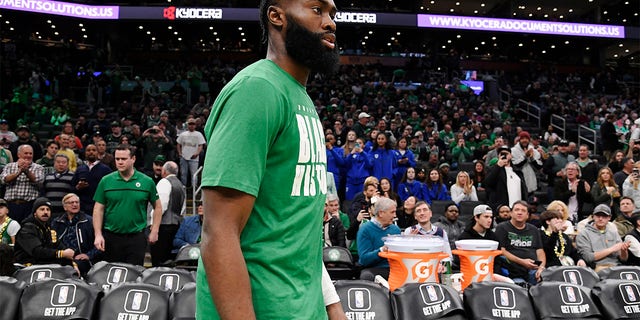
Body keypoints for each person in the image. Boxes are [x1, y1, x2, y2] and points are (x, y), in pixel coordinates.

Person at [198, 0, 340, 317]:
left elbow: (296, 233)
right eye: (317, 10)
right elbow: (218, 231)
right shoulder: (257, 90)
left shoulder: (298, 97)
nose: (330, 22)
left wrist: (332, 307)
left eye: (333, 13)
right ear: (277, 16)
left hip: (304, 307)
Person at [93, 145, 162, 265]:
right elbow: (98, 209)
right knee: (112, 276)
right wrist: (98, 234)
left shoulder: (146, 181)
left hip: (136, 238)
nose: (120, 162)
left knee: (134, 277)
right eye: (117, 159)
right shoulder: (106, 181)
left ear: (133, 159)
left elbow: (158, 207)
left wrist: (155, 230)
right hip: (112, 237)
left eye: (123, 159)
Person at [13, 198, 77, 269]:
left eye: (48, 209)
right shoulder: (27, 228)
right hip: (27, 266)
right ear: (34, 213)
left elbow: (60, 246)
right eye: (42, 209)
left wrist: (73, 264)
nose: (45, 212)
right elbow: (37, 252)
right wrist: (61, 253)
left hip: (43, 263)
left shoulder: (48, 228)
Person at [494, 200, 545, 285]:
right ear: (511, 213)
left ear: (527, 215)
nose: (520, 213)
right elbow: (502, 251)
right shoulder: (502, 228)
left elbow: (540, 251)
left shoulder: (534, 229)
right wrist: (522, 262)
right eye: (517, 210)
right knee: (520, 288)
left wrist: (541, 268)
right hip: (513, 271)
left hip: (533, 270)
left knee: (543, 283)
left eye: (523, 211)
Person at [50, 193, 100, 275]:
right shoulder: (57, 222)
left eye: (77, 202)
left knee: (71, 268)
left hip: (81, 259)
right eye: (71, 203)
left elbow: (100, 244)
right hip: (62, 257)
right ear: (64, 207)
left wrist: (88, 255)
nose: (75, 204)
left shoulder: (89, 221)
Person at [576, 204, 629, 272]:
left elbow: (623, 259)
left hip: (616, 266)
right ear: (593, 217)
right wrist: (611, 249)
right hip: (597, 268)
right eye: (598, 216)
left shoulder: (613, 232)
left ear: (609, 218)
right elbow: (588, 257)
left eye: (604, 216)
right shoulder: (584, 234)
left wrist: (624, 251)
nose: (600, 219)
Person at [151, 161, 185, 266]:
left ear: (164, 171)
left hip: (163, 225)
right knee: (167, 258)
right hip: (175, 224)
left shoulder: (164, 182)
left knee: (158, 259)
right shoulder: (181, 185)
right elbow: (182, 207)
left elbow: (161, 206)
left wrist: (153, 223)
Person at [357, 197, 400, 281]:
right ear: (381, 213)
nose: (395, 215)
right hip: (375, 269)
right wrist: (382, 250)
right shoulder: (365, 229)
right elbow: (364, 259)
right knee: (366, 276)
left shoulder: (396, 229)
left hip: (395, 268)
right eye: (392, 212)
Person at [1, 145, 45, 223]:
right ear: (19, 155)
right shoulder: (9, 166)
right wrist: (19, 172)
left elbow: (38, 181)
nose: (28, 155)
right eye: (26, 153)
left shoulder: (38, 167)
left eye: (30, 153)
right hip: (11, 205)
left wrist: (26, 171)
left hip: (29, 206)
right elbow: (4, 179)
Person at [72, 144, 112, 215]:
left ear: (98, 153)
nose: (91, 152)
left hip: (99, 205)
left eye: (94, 150)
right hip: (82, 207)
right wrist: (78, 187)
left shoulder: (106, 169)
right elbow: (72, 188)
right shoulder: (80, 169)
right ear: (85, 153)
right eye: (88, 150)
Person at [484, 145, 527, 211]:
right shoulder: (493, 169)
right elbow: (488, 183)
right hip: (502, 209)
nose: (504, 155)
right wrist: (498, 166)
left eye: (506, 153)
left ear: (511, 156)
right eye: (501, 154)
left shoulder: (518, 171)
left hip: (518, 208)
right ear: (498, 156)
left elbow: (524, 189)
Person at [510, 131, 543, 195]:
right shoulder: (513, 151)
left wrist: (532, 158)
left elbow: (539, 166)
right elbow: (515, 166)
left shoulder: (534, 151)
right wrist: (525, 157)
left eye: (526, 139)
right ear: (519, 140)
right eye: (522, 139)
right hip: (517, 180)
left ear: (529, 140)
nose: (524, 140)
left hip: (531, 181)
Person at [176, 118, 206, 186]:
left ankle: (194, 189)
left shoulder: (198, 134)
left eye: (193, 124)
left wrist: (197, 153)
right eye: (190, 124)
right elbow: (178, 144)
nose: (191, 126)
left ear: (195, 125)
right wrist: (180, 153)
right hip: (184, 157)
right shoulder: (183, 134)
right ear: (187, 125)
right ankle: (183, 190)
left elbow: (201, 145)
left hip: (194, 158)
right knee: (183, 174)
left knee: (194, 174)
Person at [344, 137, 372, 202]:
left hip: (362, 182)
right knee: (349, 201)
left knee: (362, 200)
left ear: (363, 145)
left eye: (360, 143)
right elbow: (346, 164)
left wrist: (362, 153)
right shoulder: (351, 154)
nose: (358, 145)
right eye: (356, 143)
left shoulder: (367, 154)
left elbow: (369, 164)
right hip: (351, 182)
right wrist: (351, 154)